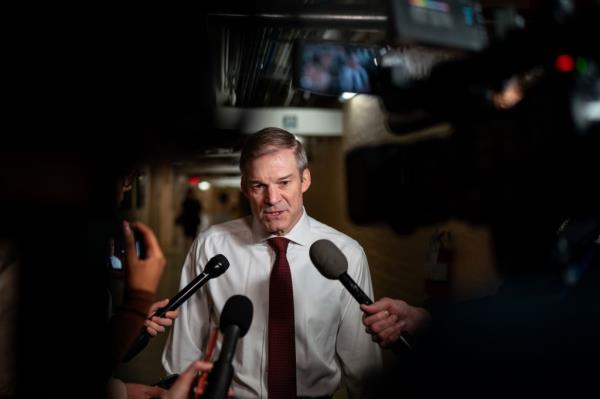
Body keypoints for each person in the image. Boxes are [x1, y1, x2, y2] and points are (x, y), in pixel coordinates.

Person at [162, 127, 383, 398]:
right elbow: (184, 350)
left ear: (305, 180)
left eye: (284, 182)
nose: (272, 199)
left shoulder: (347, 254)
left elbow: (361, 365)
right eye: (259, 186)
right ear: (245, 187)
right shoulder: (211, 247)